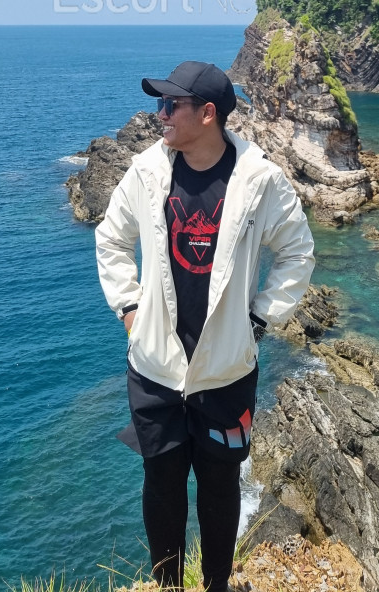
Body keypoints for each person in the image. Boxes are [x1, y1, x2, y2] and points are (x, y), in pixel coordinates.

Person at [95, 60, 315, 592]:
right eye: (160, 103)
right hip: (154, 370)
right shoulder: (146, 171)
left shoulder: (259, 180)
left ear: (208, 114)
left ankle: (216, 585)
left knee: (220, 487)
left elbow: (297, 253)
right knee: (161, 484)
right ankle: (168, 586)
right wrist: (129, 310)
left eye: (171, 105)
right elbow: (112, 238)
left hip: (226, 372)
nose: (160, 114)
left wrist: (258, 319)